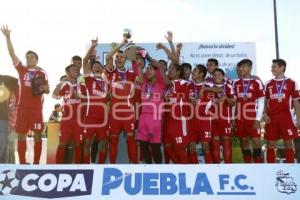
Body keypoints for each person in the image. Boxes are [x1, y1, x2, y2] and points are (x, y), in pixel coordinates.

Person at [1, 25, 50, 164]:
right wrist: (8, 37)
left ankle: (36, 164)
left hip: (36, 110)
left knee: (38, 135)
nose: (29, 59)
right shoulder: (21, 69)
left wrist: (46, 90)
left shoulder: (42, 73)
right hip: (22, 108)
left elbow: (47, 90)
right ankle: (22, 163)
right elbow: (12, 53)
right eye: (27, 57)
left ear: (37, 60)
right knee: (21, 136)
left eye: (32, 57)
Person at [105, 37, 138, 164]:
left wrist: (131, 52)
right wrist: (122, 44)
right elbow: (108, 57)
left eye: (121, 57)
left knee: (131, 139)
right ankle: (112, 165)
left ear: (125, 59)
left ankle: (134, 166)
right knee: (113, 140)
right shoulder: (111, 71)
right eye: (117, 57)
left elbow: (140, 78)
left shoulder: (131, 72)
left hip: (128, 112)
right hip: (114, 112)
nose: (118, 59)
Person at [79, 37, 109, 164]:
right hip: (90, 117)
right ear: (91, 69)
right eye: (95, 66)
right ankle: (87, 166)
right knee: (87, 142)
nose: (97, 67)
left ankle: (100, 167)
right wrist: (92, 47)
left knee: (104, 142)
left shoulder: (105, 82)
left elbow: (108, 97)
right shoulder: (89, 79)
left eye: (99, 66)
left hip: (102, 118)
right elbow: (85, 60)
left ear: (102, 70)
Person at [264, 59, 300, 163]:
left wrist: (298, 119)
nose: (272, 69)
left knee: (288, 143)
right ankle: (271, 169)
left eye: (274, 67)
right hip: (272, 117)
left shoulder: (292, 82)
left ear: (282, 67)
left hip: (286, 117)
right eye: (272, 67)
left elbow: (297, 103)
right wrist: (265, 114)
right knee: (270, 143)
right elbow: (265, 101)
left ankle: (290, 168)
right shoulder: (268, 83)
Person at [232, 59, 265, 163]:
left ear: (250, 68)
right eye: (240, 67)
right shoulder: (235, 82)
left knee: (256, 141)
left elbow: (261, 101)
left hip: (252, 117)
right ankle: (248, 165)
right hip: (239, 117)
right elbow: (233, 101)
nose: (241, 69)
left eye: (244, 66)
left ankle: (258, 164)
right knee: (244, 141)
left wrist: (258, 119)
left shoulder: (256, 82)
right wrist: (233, 117)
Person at [136, 61, 166, 164]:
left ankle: (159, 170)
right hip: (143, 117)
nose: (148, 71)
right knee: (143, 146)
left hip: (156, 118)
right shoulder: (144, 83)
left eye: (151, 69)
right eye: (147, 69)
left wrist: (158, 67)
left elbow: (162, 72)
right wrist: (140, 68)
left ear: (157, 72)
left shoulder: (161, 84)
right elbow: (140, 78)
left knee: (155, 147)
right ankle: (149, 168)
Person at [53, 64, 82, 164]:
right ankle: (58, 166)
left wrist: (80, 96)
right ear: (67, 72)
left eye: (77, 69)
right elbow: (54, 96)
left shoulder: (81, 82)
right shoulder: (64, 84)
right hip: (66, 119)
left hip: (79, 119)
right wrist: (59, 84)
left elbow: (86, 97)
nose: (76, 71)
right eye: (73, 69)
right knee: (62, 143)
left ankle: (78, 166)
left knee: (78, 144)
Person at [188, 64, 214, 164]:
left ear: (201, 74)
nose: (192, 72)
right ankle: (195, 169)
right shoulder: (189, 85)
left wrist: (205, 89)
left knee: (205, 146)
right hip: (191, 120)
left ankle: (210, 170)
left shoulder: (209, 85)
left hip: (204, 120)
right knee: (191, 147)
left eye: (195, 70)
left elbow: (222, 89)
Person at [210, 68, 235, 163]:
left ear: (223, 76)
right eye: (214, 75)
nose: (216, 76)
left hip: (225, 119)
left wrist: (226, 98)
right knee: (215, 144)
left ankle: (228, 166)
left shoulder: (228, 87)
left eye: (219, 75)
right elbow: (205, 103)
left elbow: (233, 103)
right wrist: (214, 101)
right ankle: (217, 167)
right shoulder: (209, 87)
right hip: (212, 119)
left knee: (226, 143)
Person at [0, 74, 18, 163]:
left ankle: (11, 168)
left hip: (11, 123)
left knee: (10, 147)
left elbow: (20, 82)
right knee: (3, 146)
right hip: (3, 121)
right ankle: (3, 167)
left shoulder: (5, 79)